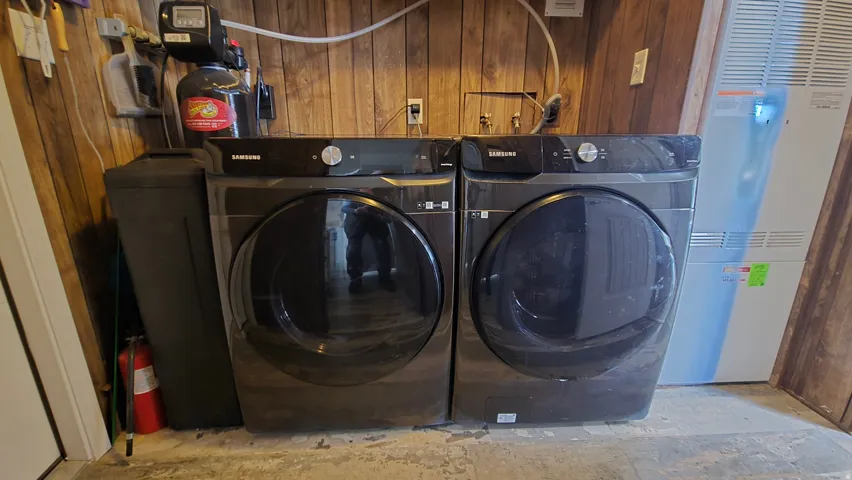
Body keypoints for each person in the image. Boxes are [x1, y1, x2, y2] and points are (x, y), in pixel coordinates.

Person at [342, 202, 395, 294]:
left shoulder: (378, 192)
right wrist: (355, 211)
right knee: (353, 249)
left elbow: (388, 211)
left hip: (374, 219)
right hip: (357, 220)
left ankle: (385, 277)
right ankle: (355, 279)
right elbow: (344, 208)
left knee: (382, 247)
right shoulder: (353, 193)